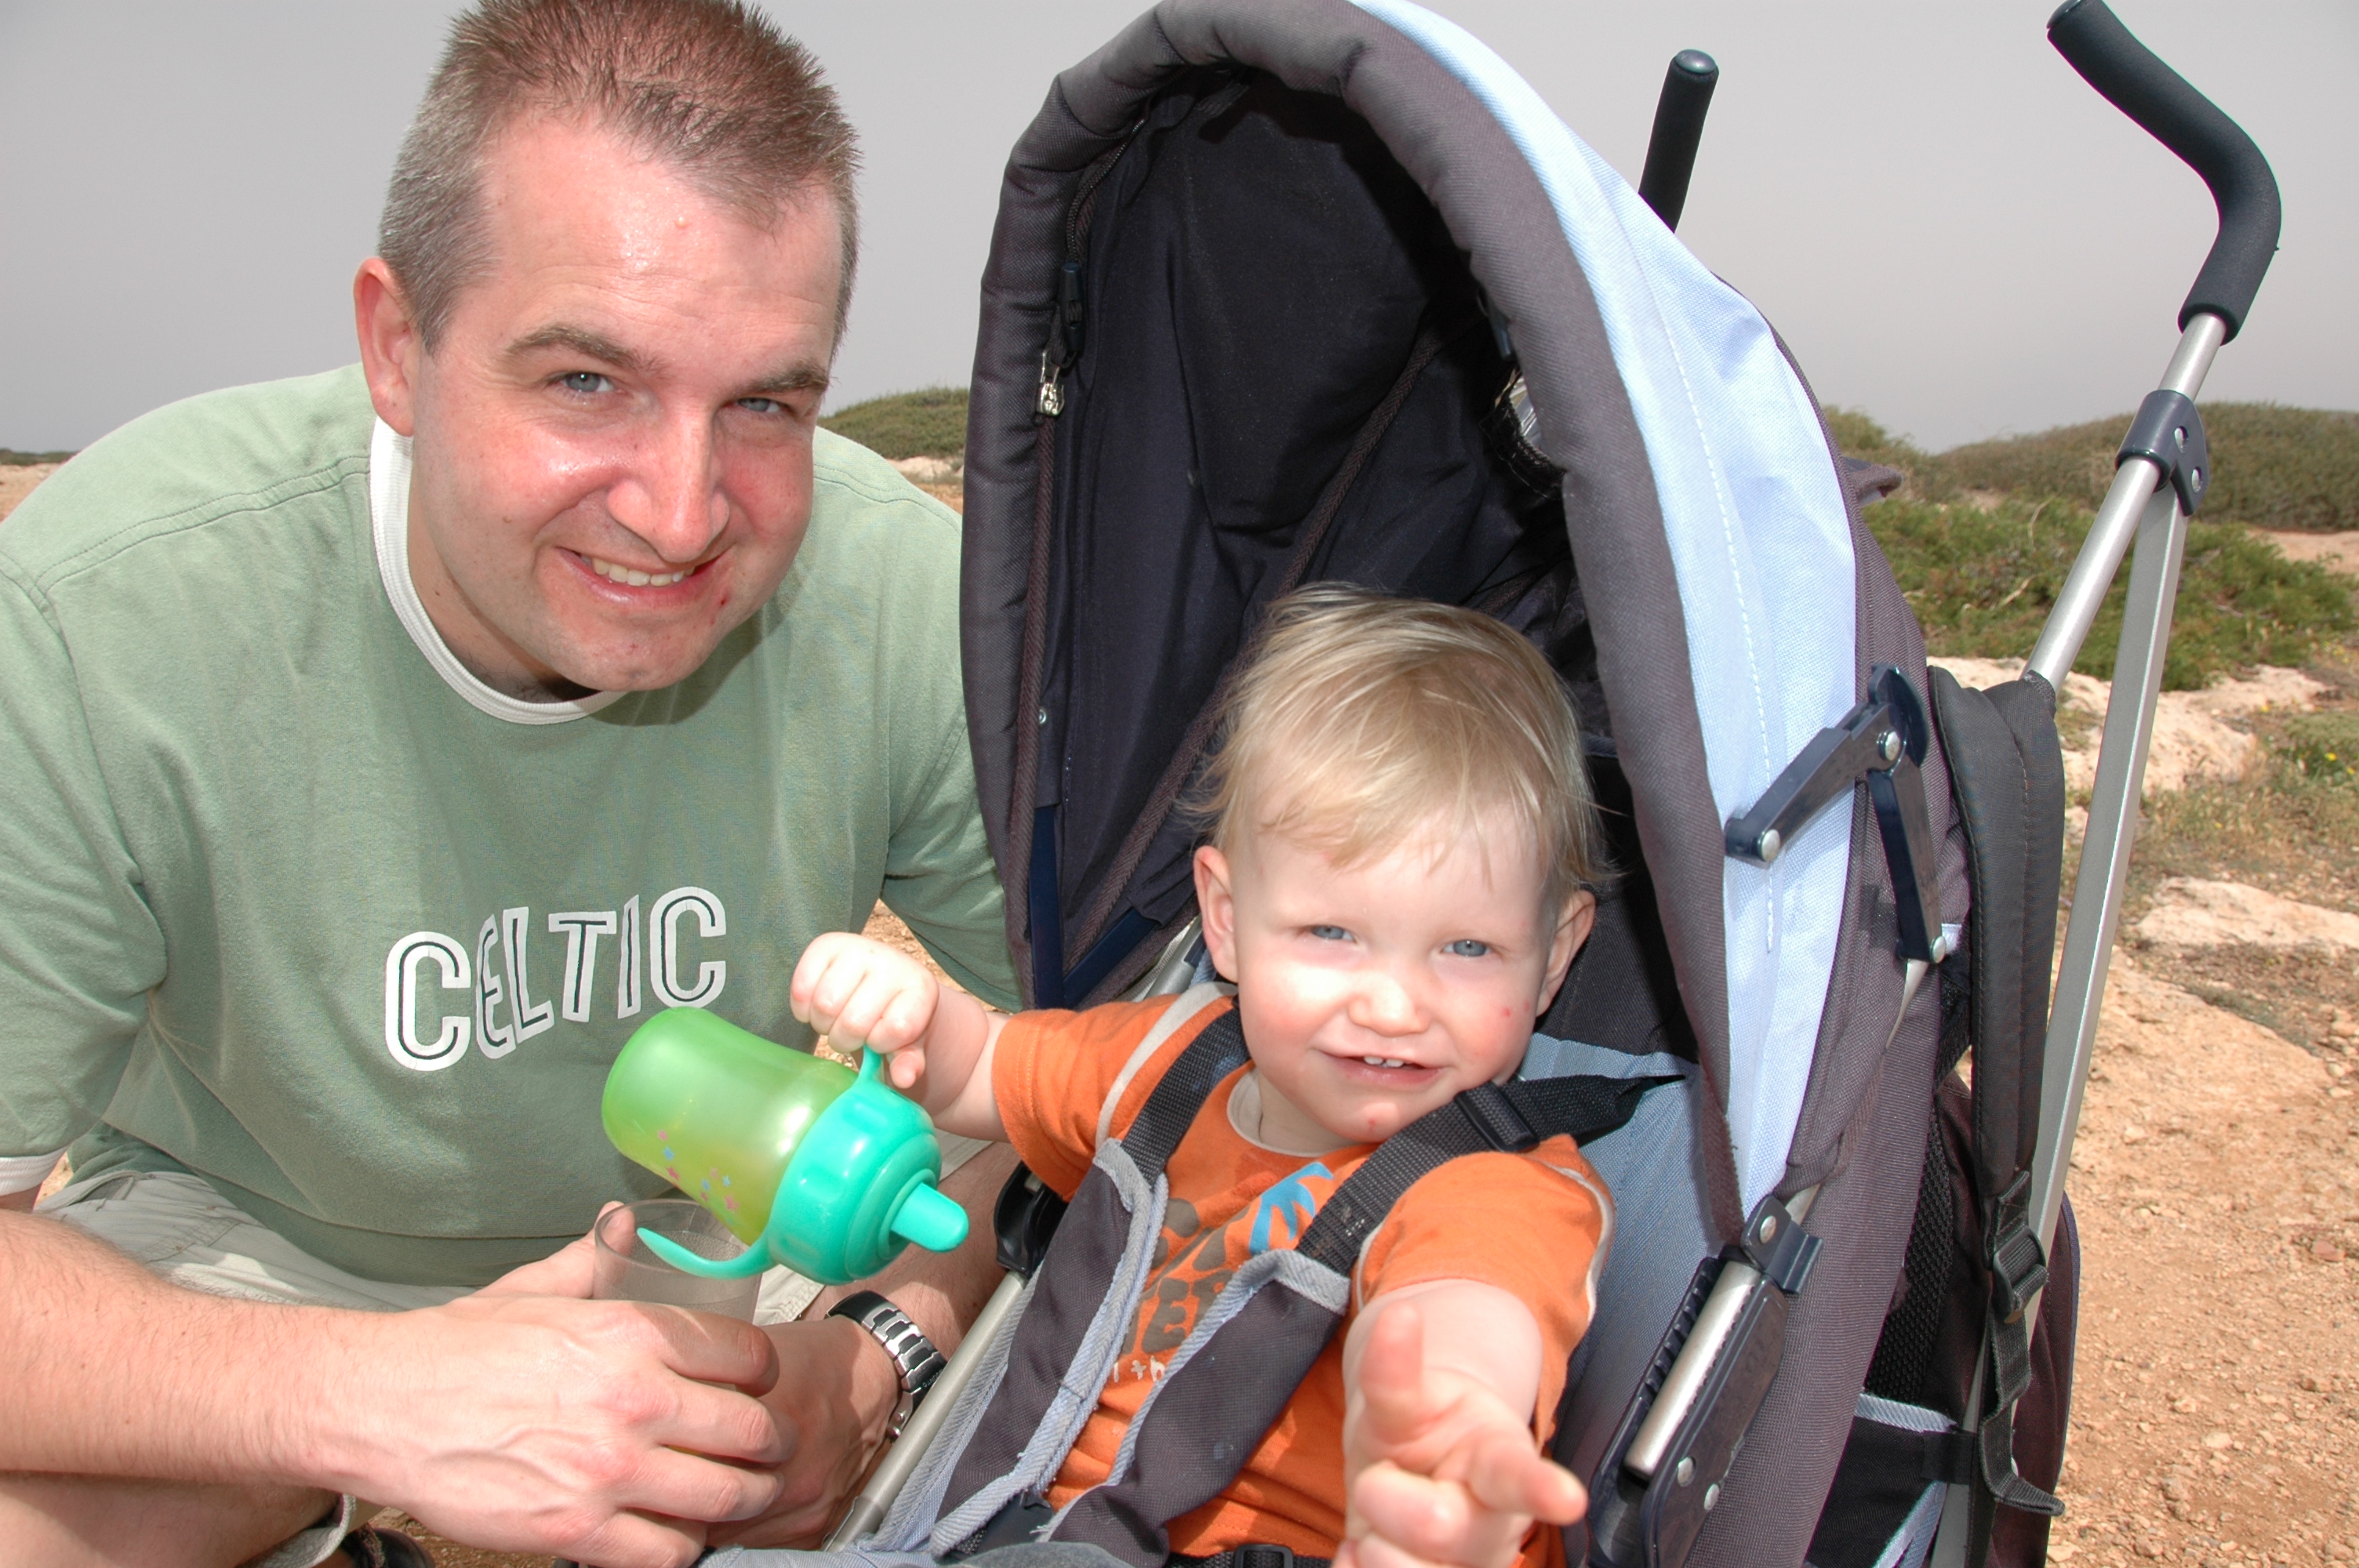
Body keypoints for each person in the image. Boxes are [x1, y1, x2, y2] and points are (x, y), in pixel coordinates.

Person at [0, 2, 1020, 1565]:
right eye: (588, 381)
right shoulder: (103, 613)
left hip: (746, 1254)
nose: (682, 513)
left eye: (765, 403)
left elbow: (1117, 1072)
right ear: (397, 349)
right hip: (249, 1272)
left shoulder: (900, 594)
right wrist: (374, 1407)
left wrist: (882, 1354)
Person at [786, 585, 1612, 1568]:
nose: (1394, 1005)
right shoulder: (1162, 1063)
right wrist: (912, 1017)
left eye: (1466, 948)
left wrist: (1447, 1431)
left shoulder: (1495, 1191)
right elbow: (982, 1070)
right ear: (1224, 918)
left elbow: (1468, 1312)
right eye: (1331, 932)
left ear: (1552, 957)